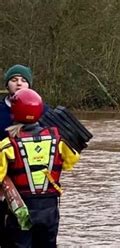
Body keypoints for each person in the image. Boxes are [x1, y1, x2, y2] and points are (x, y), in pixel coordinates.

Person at [0, 88, 79, 247]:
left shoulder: (7, 145)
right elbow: (71, 161)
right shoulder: (58, 140)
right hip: (50, 209)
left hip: (21, 209)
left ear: (13, 113)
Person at [0, 64, 35, 247]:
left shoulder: (41, 111)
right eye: (14, 80)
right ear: (7, 85)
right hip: (2, 179)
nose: (19, 84)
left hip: (30, 182)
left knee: (27, 233)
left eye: (23, 81)